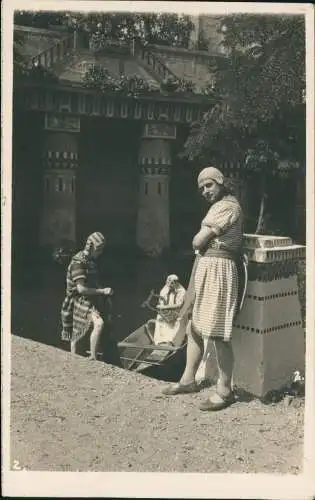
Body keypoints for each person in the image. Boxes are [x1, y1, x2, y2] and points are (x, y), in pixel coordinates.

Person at [162, 166, 245, 411]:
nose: (205, 191)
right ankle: (188, 379)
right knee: (195, 326)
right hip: (209, 267)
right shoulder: (218, 207)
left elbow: (198, 241)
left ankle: (225, 390)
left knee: (217, 332)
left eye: (209, 185)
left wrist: (202, 239)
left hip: (220, 269)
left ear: (220, 182)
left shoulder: (228, 206)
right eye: (201, 188)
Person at [60, 232, 114, 360]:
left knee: (84, 334)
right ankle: (92, 356)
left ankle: (91, 355)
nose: (100, 252)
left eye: (102, 249)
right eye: (98, 249)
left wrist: (104, 293)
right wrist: (102, 291)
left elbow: (93, 283)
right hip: (78, 300)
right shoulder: (78, 262)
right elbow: (81, 289)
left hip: (90, 299)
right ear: (90, 247)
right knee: (98, 324)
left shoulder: (90, 261)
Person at [153, 274, 186, 347]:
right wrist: (163, 310)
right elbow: (161, 300)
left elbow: (179, 305)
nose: (169, 284)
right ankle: (160, 341)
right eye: (168, 282)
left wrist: (164, 307)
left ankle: (171, 342)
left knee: (179, 321)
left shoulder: (182, 291)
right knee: (159, 318)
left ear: (176, 283)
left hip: (177, 311)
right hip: (166, 309)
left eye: (172, 283)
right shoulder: (165, 289)